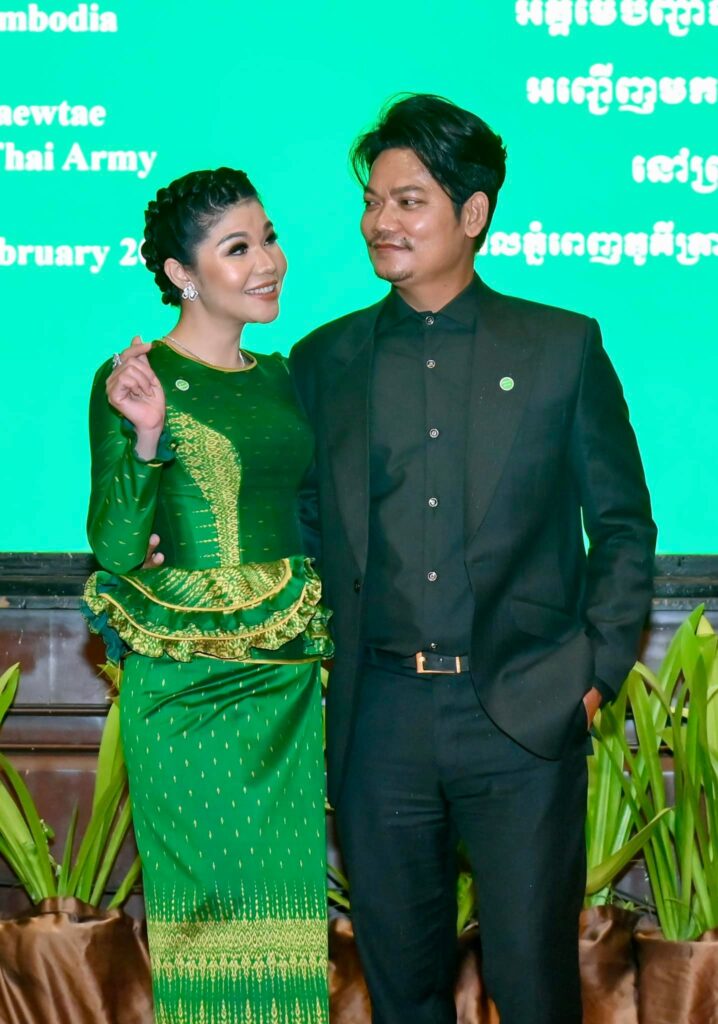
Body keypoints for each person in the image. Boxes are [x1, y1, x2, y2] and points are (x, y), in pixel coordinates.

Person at [288, 94, 657, 1024]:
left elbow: (621, 524)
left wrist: (594, 673)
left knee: (533, 987)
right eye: (373, 201)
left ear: (474, 213)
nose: (381, 221)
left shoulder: (562, 346)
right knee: (403, 991)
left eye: (409, 201)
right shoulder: (323, 361)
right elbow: (302, 524)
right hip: (380, 723)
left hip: (521, 714)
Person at [82, 168, 332, 1024]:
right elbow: (118, 549)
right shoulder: (136, 376)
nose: (268, 262)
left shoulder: (285, 376)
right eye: (238, 248)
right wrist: (147, 435)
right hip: (186, 688)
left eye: (269, 238)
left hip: (286, 681)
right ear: (180, 273)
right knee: (205, 923)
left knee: (286, 922)